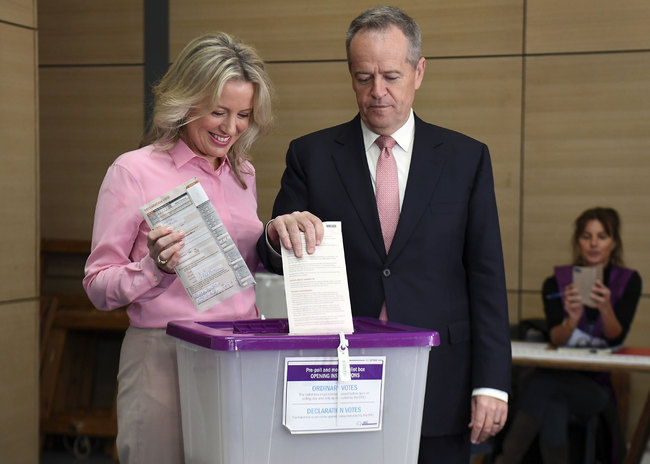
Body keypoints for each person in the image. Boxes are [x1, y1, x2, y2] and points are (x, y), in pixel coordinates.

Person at [257, 6, 511, 463]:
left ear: (419, 72)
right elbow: (272, 254)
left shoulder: (466, 158)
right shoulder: (311, 156)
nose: (377, 92)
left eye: (391, 76)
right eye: (363, 77)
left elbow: (487, 276)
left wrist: (491, 382)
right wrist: (278, 236)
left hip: (441, 376)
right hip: (336, 378)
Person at [83, 32, 273, 463]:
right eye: (218, 112)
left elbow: (246, 266)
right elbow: (97, 286)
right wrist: (153, 268)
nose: (231, 128)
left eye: (243, 115)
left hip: (235, 353)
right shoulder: (132, 171)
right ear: (185, 102)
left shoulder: (244, 172)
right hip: (161, 355)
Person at [495, 207, 642, 463]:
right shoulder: (556, 283)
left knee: (542, 384)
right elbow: (556, 338)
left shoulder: (628, 281)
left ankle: (505, 459)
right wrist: (571, 320)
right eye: (586, 236)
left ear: (613, 242)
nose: (594, 243)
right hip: (559, 382)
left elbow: (616, 338)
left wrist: (606, 308)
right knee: (553, 403)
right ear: (577, 241)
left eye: (602, 236)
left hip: (597, 389)